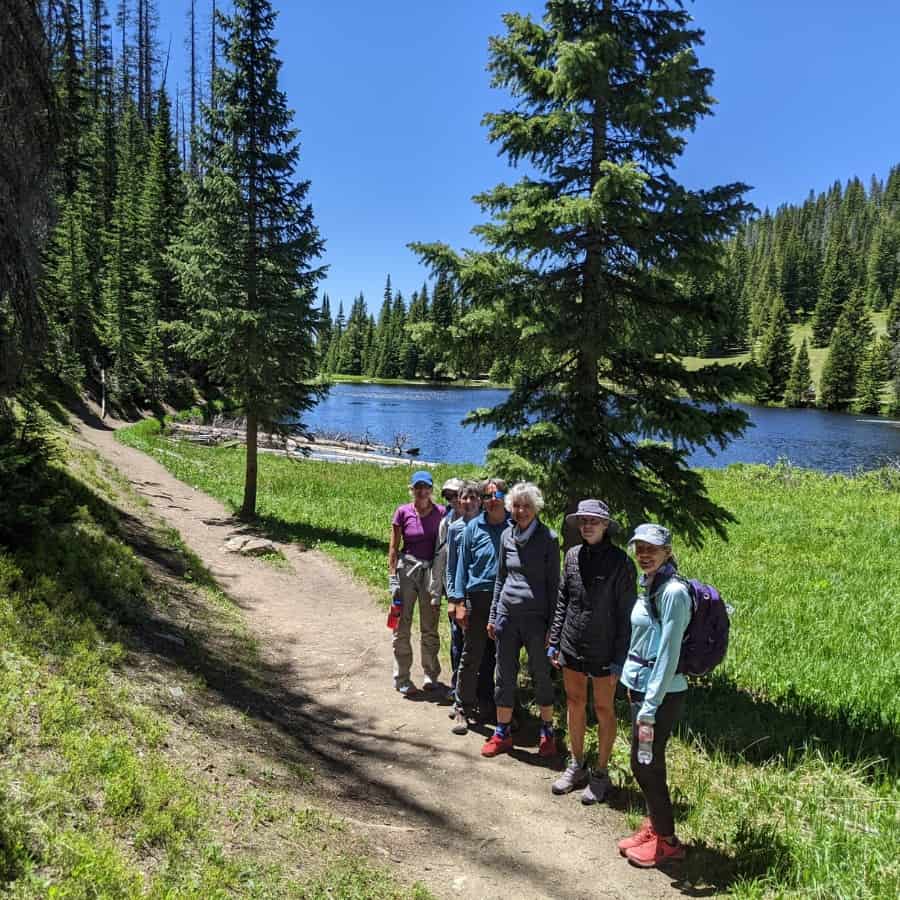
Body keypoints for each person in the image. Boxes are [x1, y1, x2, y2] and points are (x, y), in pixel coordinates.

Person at [548, 499, 637, 802]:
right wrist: (555, 641)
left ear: (605, 526)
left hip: (605, 649)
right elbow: (563, 601)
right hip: (572, 643)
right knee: (574, 702)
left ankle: (600, 773)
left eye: (593, 521)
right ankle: (576, 764)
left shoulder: (621, 563)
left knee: (603, 708)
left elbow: (627, 615)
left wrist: (619, 659)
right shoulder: (572, 556)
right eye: (583, 521)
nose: (587, 526)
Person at [618, 524, 690, 868]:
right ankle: (654, 827)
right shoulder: (649, 584)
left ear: (667, 552)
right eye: (640, 548)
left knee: (646, 764)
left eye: (652, 549)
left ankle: (669, 842)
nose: (644, 555)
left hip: (658, 696)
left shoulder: (673, 592)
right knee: (642, 761)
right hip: (639, 688)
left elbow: (668, 654)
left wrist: (649, 706)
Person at [483, 482, 560, 758]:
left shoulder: (548, 538)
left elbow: (555, 586)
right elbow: (500, 578)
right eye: (516, 505)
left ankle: (547, 732)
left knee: (541, 675)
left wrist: (554, 626)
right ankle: (502, 732)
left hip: (537, 621)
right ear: (510, 508)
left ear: (535, 508)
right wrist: (493, 615)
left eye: (527, 505)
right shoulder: (506, 536)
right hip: (506, 616)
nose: (522, 510)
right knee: (503, 676)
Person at [450, 477, 509, 734]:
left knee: (500, 657)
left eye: (497, 495)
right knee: (471, 654)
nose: (492, 500)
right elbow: (461, 566)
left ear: (505, 498)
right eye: (487, 496)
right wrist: (458, 600)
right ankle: (462, 706)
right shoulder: (473, 527)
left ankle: (495, 706)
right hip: (478, 597)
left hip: (506, 600)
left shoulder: (513, 527)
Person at [387, 470, 445, 697]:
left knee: (430, 625)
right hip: (406, 570)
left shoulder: (441, 512)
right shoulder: (402, 512)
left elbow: (444, 547)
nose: (422, 491)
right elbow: (393, 547)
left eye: (426, 487)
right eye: (418, 487)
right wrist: (393, 578)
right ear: (411, 489)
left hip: (430, 572)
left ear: (432, 489)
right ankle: (402, 677)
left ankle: (431, 675)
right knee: (402, 625)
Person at [443, 480, 482, 704]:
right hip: (459, 596)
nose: (467, 502)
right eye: (464, 497)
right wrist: (452, 598)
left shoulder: (486, 526)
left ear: (480, 501)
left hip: (480, 596)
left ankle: (477, 691)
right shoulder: (455, 528)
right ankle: (456, 689)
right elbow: (451, 567)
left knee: (480, 647)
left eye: (473, 497)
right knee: (459, 644)